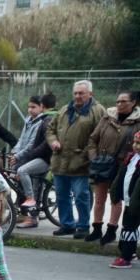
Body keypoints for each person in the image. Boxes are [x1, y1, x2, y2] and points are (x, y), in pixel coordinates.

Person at [46, 80, 105, 239]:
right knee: (61, 195)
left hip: (81, 163)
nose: (77, 96)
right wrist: (53, 142)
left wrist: (85, 154)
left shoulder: (98, 111)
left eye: (81, 93)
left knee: (81, 196)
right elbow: (50, 129)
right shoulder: (65, 109)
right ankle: (67, 224)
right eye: (76, 93)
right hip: (60, 161)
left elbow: (100, 137)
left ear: (90, 94)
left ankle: (83, 226)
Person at [85, 91, 140, 244]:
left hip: (123, 165)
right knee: (99, 198)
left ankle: (111, 231)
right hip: (102, 164)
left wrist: (130, 162)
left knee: (116, 198)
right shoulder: (107, 117)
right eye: (117, 101)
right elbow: (92, 139)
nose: (119, 104)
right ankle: (96, 229)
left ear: (133, 102)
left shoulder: (137, 121)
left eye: (123, 101)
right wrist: (94, 158)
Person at [11, 93, 57, 228]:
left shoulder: (45, 120)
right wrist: (15, 152)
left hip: (42, 159)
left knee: (26, 176)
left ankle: (32, 213)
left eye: (34, 107)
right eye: (29, 107)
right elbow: (22, 140)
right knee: (20, 181)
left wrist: (21, 156)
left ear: (42, 107)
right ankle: (26, 214)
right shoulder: (31, 120)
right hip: (31, 156)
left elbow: (36, 145)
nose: (30, 110)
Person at [109, 130, 140, 268]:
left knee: (129, 228)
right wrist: (116, 192)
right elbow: (123, 176)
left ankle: (125, 257)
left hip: (136, 202)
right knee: (129, 228)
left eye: (139, 143)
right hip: (129, 200)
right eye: (135, 142)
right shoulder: (132, 158)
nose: (136, 146)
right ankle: (130, 252)